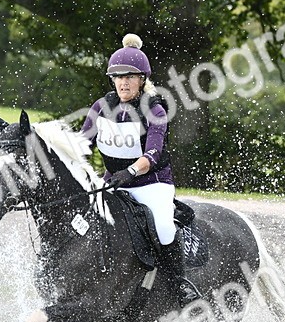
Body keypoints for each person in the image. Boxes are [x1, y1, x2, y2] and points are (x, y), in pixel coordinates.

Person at [80, 33, 202, 306]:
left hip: (151, 183)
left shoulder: (154, 109)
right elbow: (81, 142)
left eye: (130, 76)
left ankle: (179, 285)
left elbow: (153, 153)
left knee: (163, 227)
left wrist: (132, 172)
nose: (123, 81)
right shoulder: (101, 107)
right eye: (118, 76)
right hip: (112, 182)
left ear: (142, 80)